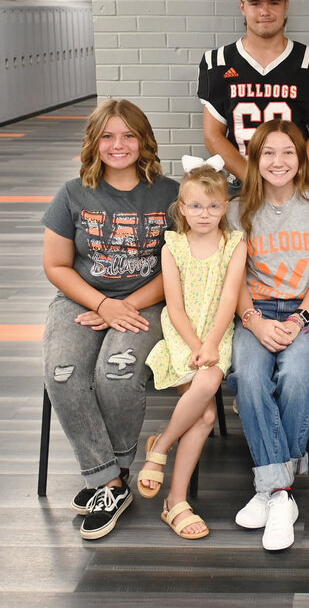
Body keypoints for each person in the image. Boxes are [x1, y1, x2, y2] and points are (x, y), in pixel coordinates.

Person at [41, 99, 179, 540]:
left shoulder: (170, 193)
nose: (118, 145)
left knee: (116, 375)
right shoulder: (71, 193)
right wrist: (103, 305)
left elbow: (184, 264)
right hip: (80, 301)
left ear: (143, 140)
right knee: (62, 374)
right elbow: (57, 265)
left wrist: (128, 305)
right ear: (94, 142)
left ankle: (107, 476)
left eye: (128, 135)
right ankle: (110, 480)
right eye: (108, 136)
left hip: (149, 301)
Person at [227, 119, 309, 552]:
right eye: (268, 153)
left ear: (301, 159)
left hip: (307, 312)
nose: (278, 162)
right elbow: (234, 276)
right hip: (254, 311)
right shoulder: (237, 208)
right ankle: (282, 493)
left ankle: (269, 489)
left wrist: (297, 320)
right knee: (250, 376)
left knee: (297, 374)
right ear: (255, 159)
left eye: (288, 153)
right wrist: (253, 320)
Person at [138, 159, 247, 539]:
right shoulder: (174, 247)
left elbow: (230, 298)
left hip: (218, 335)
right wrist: (196, 345)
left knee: (207, 385)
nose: (205, 213)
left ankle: (161, 447)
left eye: (214, 206)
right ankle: (176, 501)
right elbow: (176, 307)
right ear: (182, 208)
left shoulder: (234, 244)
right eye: (196, 206)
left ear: (226, 207)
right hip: (183, 335)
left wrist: (213, 344)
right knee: (202, 418)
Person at [197, 0, 309, 183]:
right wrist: (253, 179)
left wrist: (289, 177)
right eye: (255, 3)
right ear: (242, 7)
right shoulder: (218, 62)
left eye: (274, 3)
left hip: (293, 185)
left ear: (286, 6)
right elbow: (213, 135)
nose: (265, 11)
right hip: (239, 185)